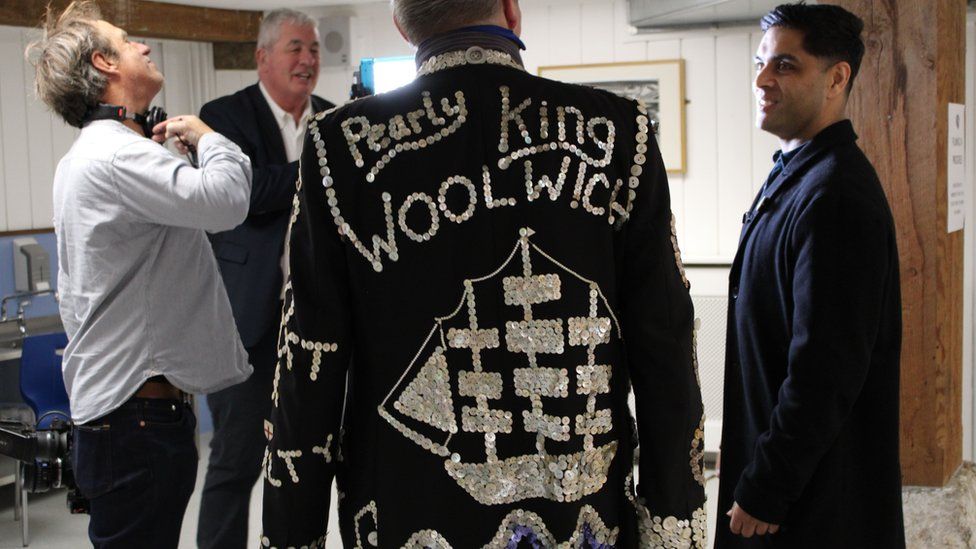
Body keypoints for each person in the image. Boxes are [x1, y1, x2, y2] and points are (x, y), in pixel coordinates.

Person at [260, 0, 706, 546]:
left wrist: (291, 534)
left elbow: (310, 365)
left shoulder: (339, 147)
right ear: (512, 11)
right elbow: (666, 347)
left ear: (403, 27)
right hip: (583, 522)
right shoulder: (620, 131)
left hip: (406, 514)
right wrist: (673, 523)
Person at [26, 1, 253, 547]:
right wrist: (207, 137)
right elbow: (226, 200)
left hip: (125, 420)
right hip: (137, 423)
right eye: (128, 41)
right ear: (104, 63)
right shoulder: (115, 158)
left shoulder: (99, 156)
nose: (144, 47)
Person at [716, 3, 904, 547]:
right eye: (761, 63)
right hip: (788, 483)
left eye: (785, 66)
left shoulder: (835, 194)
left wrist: (767, 486)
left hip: (814, 507)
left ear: (836, 77)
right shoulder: (798, 175)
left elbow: (826, 370)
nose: (761, 80)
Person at [195, 9, 334, 548]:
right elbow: (245, 195)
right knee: (235, 465)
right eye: (296, 47)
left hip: (319, 324)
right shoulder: (223, 118)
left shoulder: (330, 118)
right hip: (247, 326)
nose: (308, 61)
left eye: (316, 50)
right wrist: (323, 169)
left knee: (311, 460)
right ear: (262, 57)